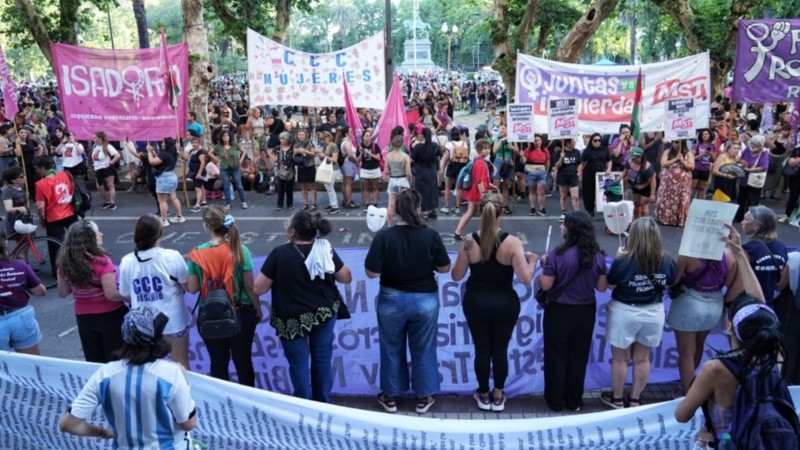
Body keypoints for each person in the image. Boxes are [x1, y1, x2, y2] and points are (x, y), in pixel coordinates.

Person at [676, 225, 798, 446]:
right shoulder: (775, 355)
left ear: (728, 325)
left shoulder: (716, 369)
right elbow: (759, 305)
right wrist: (739, 255)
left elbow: (681, 415)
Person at [59, 306, 197, 449]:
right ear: (158, 339)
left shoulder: (104, 374)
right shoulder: (171, 373)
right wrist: (184, 381)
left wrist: (104, 433)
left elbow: (68, 424)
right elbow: (188, 424)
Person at [365, 189, 451, 414]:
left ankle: (390, 396)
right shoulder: (430, 235)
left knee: (391, 347)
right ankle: (423, 397)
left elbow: (371, 272)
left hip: (391, 299)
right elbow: (444, 267)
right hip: (425, 299)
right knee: (423, 348)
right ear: (418, 209)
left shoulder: (384, 236)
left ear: (396, 210)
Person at [254, 212, 352, 403]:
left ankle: (303, 404)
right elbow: (346, 277)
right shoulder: (325, 249)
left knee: (298, 364)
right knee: (322, 360)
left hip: (291, 319)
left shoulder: (279, 253)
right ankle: (323, 403)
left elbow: (259, 287)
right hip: (324, 314)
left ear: (292, 232)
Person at [451, 191, 537, 411]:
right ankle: (498, 394)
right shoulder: (513, 243)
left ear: (480, 210)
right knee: (500, 349)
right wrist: (533, 262)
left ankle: (482, 393)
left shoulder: (469, 241)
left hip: (476, 302)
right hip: (505, 303)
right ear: (501, 212)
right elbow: (526, 279)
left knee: (482, 349)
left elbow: (456, 276)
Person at [537, 210, 608, 412]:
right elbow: (602, 288)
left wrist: (543, 267)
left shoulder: (556, 255)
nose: (561, 227)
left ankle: (555, 400)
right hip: (585, 311)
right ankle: (574, 400)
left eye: (564, 224)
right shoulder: (599, 257)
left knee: (556, 355)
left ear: (571, 229)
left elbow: (546, 285)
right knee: (578, 356)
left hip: (559, 311)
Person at [603, 217, 676, 408]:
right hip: (653, 312)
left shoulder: (625, 260)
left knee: (620, 358)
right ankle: (635, 399)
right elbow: (670, 282)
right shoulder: (667, 259)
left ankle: (617, 398)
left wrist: (619, 258)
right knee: (642, 358)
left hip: (625, 311)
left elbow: (610, 283)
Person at [186, 205, 261, 386]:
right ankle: (248, 402)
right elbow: (250, 286)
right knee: (243, 361)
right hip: (240, 311)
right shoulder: (240, 250)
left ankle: (222, 405)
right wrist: (257, 309)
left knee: (218, 363)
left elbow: (193, 288)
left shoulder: (196, 254)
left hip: (210, 314)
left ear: (207, 226)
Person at [118, 215, 191, 368]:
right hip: (173, 321)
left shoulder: (127, 261)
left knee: (146, 368)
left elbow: (125, 293)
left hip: (142, 327)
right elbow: (187, 287)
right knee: (181, 366)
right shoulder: (172, 256)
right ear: (159, 234)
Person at [667, 248, 739, 395]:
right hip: (715, 303)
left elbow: (674, 281)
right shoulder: (730, 255)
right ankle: (692, 388)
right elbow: (729, 282)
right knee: (698, 346)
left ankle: (688, 394)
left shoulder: (688, 253)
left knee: (686, 353)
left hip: (690, 303)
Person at [57, 220, 128, 363]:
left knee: (94, 359)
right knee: (115, 358)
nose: (101, 234)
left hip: (84, 317)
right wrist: (130, 297)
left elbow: (63, 292)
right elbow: (112, 294)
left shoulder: (64, 263)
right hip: (110, 316)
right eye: (97, 233)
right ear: (89, 239)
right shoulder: (102, 262)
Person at [0, 232, 47, 355]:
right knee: (31, 367)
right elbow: (41, 292)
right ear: (5, 242)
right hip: (21, 318)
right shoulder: (20, 265)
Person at [33, 155, 78, 273]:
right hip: (70, 211)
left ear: (42, 168)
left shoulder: (41, 184)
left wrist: (41, 218)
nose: (37, 171)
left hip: (54, 217)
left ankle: (59, 272)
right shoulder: (65, 174)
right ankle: (80, 265)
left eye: (37, 168)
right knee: (77, 240)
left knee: (56, 247)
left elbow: (40, 206)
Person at [741, 205, 787, 305]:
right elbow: (781, 283)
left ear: (756, 226)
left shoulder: (747, 249)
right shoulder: (781, 247)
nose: (742, 222)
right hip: (768, 303)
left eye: (746, 219)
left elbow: (738, 280)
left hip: (747, 302)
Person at [453, 139, 492, 240]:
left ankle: (458, 232)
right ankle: (486, 234)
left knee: (470, 212)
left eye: (488, 148)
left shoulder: (478, 160)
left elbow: (480, 179)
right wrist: (484, 195)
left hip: (474, 191)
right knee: (486, 214)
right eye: (484, 149)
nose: (487, 151)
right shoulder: (480, 163)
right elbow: (480, 181)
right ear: (479, 150)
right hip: (478, 193)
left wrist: (490, 185)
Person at [654, 139, 694, 227]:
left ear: (682, 143)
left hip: (682, 183)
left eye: (677, 142)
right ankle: (665, 218)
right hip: (668, 183)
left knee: (681, 200)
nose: (675, 144)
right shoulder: (667, 152)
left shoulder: (688, 153)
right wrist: (676, 159)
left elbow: (691, 167)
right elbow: (663, 163)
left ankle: (679, 220)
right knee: (667, 199)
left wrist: (683, 161)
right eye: (674, 142)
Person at [148, 138, 186, 226]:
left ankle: (164, 220)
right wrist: (153, 152)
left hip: (164, 178)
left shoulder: (164, 154)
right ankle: (179, 216)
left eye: (163, 143)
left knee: (162, 200)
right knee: (174, 197)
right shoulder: (173, 153)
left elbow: (152, 162)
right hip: (172, 176)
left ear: (167, 144)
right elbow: (160, 159)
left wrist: (149, 152)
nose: (162, 144)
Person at [210, 130, 249, 210]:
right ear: (221, 137)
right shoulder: (218, 146)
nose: (225, 137)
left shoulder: (234, 145)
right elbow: (210, 153)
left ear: (230, 137)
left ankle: (243, 201)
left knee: (239, 185)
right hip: (224, 168)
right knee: (226, 186)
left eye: (227, 136)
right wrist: (217, 160)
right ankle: (228, 203)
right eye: (224, 136)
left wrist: (240, 160)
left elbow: (244, 151)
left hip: (235, 167)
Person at [734, 135, 768, 223]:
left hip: (755, 180)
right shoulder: (747, 150)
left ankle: (750, 219)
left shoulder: (764, 153)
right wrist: (741, 161)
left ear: (761, 145)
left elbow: (764, 167)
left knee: (752, 201)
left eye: (755, 144)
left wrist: (751, 170)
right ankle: (739, 217)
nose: (753, 145)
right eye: (752, 143)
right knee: (741, 199)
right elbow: (740, 159)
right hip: (744, 179)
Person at [411, 127, 441, 219]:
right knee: (432, 190)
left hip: (421, 170)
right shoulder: (435, 146)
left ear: (422, 135)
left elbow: (411, 159)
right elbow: (438, 157)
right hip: (432, 170)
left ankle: (423, 211)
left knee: (422, 191)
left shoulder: (418, 147)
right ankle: (433, 210)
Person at [579, 133, 611, 217]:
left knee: (603, 192)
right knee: (588, 193)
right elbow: (581, 163)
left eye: (599, 140)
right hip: (588, 174)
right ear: (591, 141)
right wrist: (580, 174)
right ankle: (590, 210)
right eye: (595, 140)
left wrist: (608, 169)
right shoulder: (587, 150)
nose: (597, 142)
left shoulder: (605, 149)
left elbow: (609, 160)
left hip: (601, 175)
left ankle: (605, 209)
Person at [383, 135, 413, 225]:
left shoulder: (388, 155)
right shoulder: (405, 156)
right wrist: (410, 182)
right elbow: (408, 172)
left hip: (392, 180)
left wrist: (391, 171)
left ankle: (389, 224)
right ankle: (405, 222)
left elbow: (386, 171)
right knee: (406, 203)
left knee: (391, 204)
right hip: (403, 180)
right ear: (402, 144)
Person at [622, 147, 657, 220]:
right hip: (635, 185)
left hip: (646, 186)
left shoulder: (648, 167)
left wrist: (652, 194)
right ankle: (637, 220)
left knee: (643, 205)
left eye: (633, 158)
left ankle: (644, 222)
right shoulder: (629, 162)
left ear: (639, 157)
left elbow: (653, 181)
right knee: (636, 204)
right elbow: (625, 171)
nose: (631, 159)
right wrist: (618, 179)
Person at [91, 131, 120, 211]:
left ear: (99, 138)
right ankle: (106, 202)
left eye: (95, 137)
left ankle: (112, 203)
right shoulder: (94, 146)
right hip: (97, 169)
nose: (93, 139)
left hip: (106, 168)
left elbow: (117, 155)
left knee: (110, 185)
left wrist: (111, 162)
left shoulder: (107, 146)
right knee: (99, 187)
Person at [554, 138, 582, 221]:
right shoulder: (559, 152)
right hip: (562, 176)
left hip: (573, 176)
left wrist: (579, 172)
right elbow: (557, 166)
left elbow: (580, 163)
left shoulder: (576, 152)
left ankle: (577, 214)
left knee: (575, 196)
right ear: (568, 143)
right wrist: (561, 158)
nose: (575, 143)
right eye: (573, 142)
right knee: (563, 196)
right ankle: (563, 213)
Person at [293, 130, 318, 211]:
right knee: (303, 186)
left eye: (302, 135)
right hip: (301, 166)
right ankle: (305, 203)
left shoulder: (309, 143)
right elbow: (293, 156)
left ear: (305, 135)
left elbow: (314, 154)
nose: (300, 136)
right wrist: (296, 151)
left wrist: (305, 151)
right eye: (299, 134)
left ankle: (314, 203)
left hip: (310, 166)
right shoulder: (296, 144)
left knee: (312, 185)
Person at [2, 166, 29, 241]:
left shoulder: (21, 187)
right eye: (21, 176)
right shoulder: (7, 190)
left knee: (26, 245)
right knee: (22, 246)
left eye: (24, 175)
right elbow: (8, 209)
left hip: (24, 219)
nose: (24, 177)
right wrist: (20, 208)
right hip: (15, 221)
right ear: (13, 180)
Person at [318, 131, 341, 214]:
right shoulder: (326, 146)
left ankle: (335, 206)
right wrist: (320, 155)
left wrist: (324, 156)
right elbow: (324, 158)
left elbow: (335, 160)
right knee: (328, 187)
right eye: (322, 139)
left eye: (324, 139)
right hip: (327, 169)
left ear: (329, 137)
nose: (323, 141)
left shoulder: (333, 145)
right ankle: (332, 204)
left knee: (330, 187)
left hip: (333, 169)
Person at [185, 135, 209, 212]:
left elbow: (202, 163)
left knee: (197, 188)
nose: (194, 144)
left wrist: (199, 173)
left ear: (199, 143)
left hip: (199, 172)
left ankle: (197, 205)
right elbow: (187, 158)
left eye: (196, 143)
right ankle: (204, 201)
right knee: (201, 186)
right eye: (193, 143)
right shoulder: (192, 151)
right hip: (193, 172)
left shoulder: (201, 151)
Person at [273, 131, 296, 211]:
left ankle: (290, 204)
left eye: (283, 139)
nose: (281, 140)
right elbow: (270, 152)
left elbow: (295, 158)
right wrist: (274, 159)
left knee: (290, 188)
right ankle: (279, 204)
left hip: (290, 170)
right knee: (280, 188)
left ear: (287, 139)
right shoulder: (277, 148)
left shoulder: (292, 148)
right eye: (280, 139)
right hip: (280, 170)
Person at [691, 129, 717, 200]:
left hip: (706, 169)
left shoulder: (713, 146)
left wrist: (711, 153)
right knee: (692, 188)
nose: (704, 136)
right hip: (696, 168)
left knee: (701, 189)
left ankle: (698, 205)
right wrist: (702, 154)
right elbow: (691, 158)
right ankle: (689, 204)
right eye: (703, 134)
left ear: (710, 135)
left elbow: (713, 160)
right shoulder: (697, 145)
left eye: (706, 134)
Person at [337, 126, 359, 209]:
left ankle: (346, 199)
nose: (352, 132)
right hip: (348, 164)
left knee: (345, 182)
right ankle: (349, 201)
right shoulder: (346, 143)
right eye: (350, 131)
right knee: (349, 183)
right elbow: (350, 155)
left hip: (346, 164)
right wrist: (356, 161)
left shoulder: (345, 142)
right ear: (346, 133)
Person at [780, 143, 800, 223]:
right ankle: (787, 215)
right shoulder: (797, 149)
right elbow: (791, 163)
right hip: (796, 177)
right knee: (792, 197)